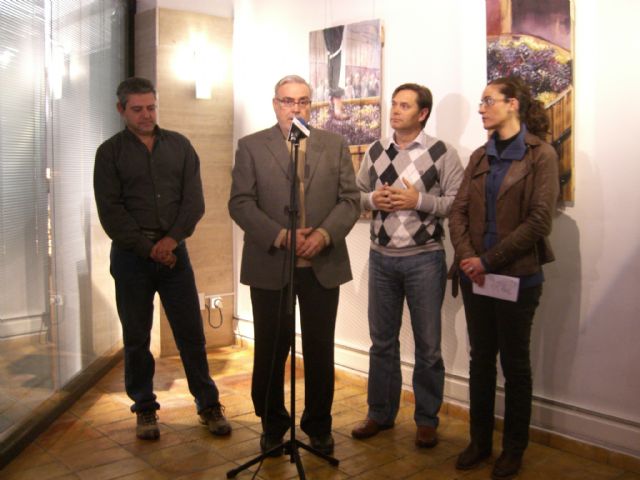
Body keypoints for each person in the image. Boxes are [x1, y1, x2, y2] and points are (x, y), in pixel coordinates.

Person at [228, 75, 360, 456]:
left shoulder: (334, 145)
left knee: (320, 350)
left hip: (322, 265)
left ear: (311, 105)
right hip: (271, 263)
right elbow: (240, 203)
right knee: (271, 351)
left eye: (303, 101)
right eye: (288, 101)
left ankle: (318, 426)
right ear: (275, 104)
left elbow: (350, 200)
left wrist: (324, 235)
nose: (296, 108)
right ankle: (273, 425)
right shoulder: (251, 146)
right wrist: (281, 235)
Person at [94, 77, 230, 441]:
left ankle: (208, 404)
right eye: (137, 109)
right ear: (121, 109)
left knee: (191, 333)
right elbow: (111, 213)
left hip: (175, 256)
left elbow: (194, 202)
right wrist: (149, 248)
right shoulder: (109, 153)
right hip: (131, 258)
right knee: (137, 337)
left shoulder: (180, 146)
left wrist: (169, 242)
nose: (146, 115)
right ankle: (144, 407)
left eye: (151, 107)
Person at [449, 76, 558, 479]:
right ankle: (479, 442)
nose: (481, 108)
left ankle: (513, 449)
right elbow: (458, 211)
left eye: (488, 100)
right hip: (475, 277)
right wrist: (468, 258)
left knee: (515, 366)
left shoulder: (540, 154)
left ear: (512, 104)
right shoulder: (481, 155)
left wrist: (487, 261)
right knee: (480, 361)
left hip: (516, 277)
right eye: (481, 102)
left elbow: (540, 220)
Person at [352, 83, 464, 447]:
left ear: (423, 113)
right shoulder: (375, 150)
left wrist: (419, 201)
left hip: (425, 259)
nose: (395, 111)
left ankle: (426, 419)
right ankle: (379, 413)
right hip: (381, 259)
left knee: (428, 346)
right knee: (381, 343)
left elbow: (457, 203)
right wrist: (373, 199)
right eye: (394, 104)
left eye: (404, 106)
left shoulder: (442, 152)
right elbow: (354, 195)